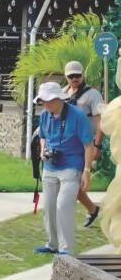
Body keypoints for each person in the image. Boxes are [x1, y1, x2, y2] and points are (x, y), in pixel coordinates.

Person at [34, 81, 94, 256]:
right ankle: (52, 244)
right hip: (50, 166)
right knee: (49, 207)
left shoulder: (77, 115)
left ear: (59, 99)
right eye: (43, 101)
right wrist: (43, 150)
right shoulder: (45, 115)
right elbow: (43, 136)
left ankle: (66, 249)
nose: (45, 104)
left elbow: (88, 145)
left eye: (49, 100)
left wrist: (87, 171)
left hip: (72, 166)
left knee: (63, 206)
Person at [62, 60, 104, 227]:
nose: (74, 78)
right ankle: (92, 209)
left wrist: (97, 145)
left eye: (77, 75)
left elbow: (100, 122)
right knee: (68, 181)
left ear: (82, 75)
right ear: (66, 77)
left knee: (72, 181)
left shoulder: (92, 94)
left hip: (84, 144)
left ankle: (90, 210)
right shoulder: (62, 93)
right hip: (66, 144)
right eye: (71, 76)